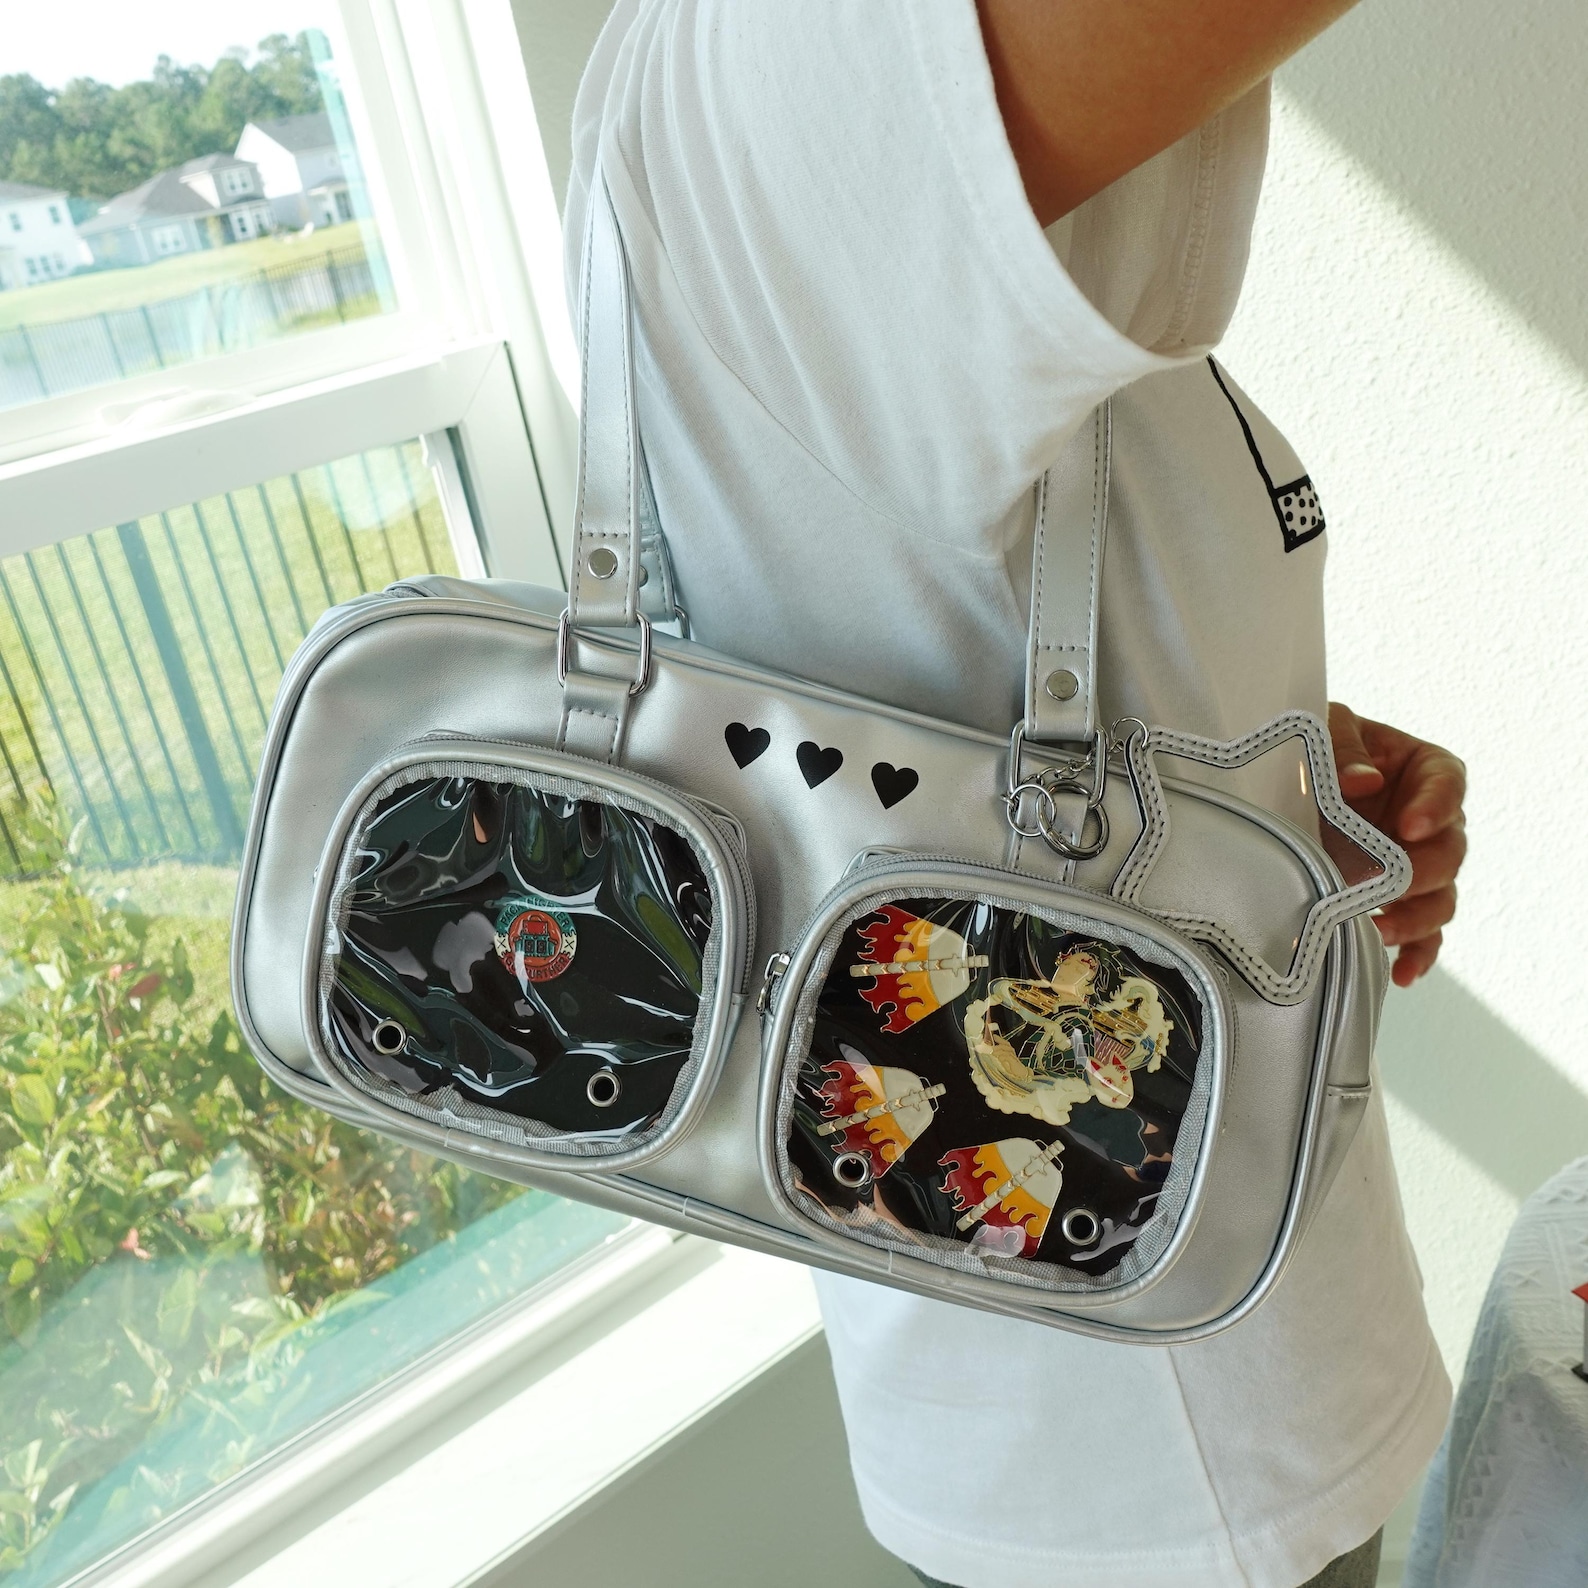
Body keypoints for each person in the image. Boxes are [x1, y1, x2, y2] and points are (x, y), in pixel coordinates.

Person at [565, 2, 1468, 1583]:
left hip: (1171, 1341)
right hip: (1149, 1419)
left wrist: (1252, 750)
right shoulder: (811, 57)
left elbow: (912, 609)